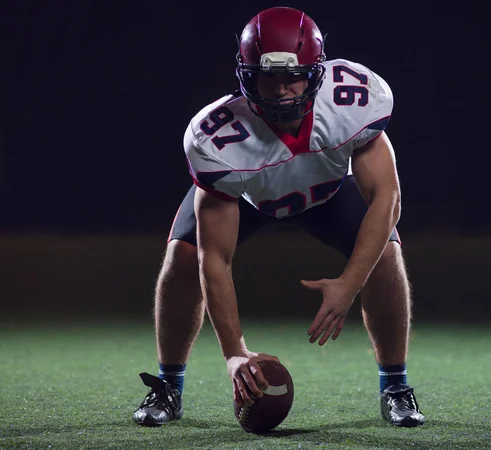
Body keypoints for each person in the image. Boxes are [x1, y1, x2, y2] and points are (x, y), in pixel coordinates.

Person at [132, 6, 425, 428]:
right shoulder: (217, 140)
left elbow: (387, 199)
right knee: (182, 257)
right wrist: (234, 352)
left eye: (293, 76)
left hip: (328, 190)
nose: (283, 91)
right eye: (270, 78)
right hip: (248, 196)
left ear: (317, 72)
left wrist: (349, 284)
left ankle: (395, 386)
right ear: (247, 75)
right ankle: (168, 386)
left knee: (386, 256)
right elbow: (214, 260)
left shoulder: (353, 99)